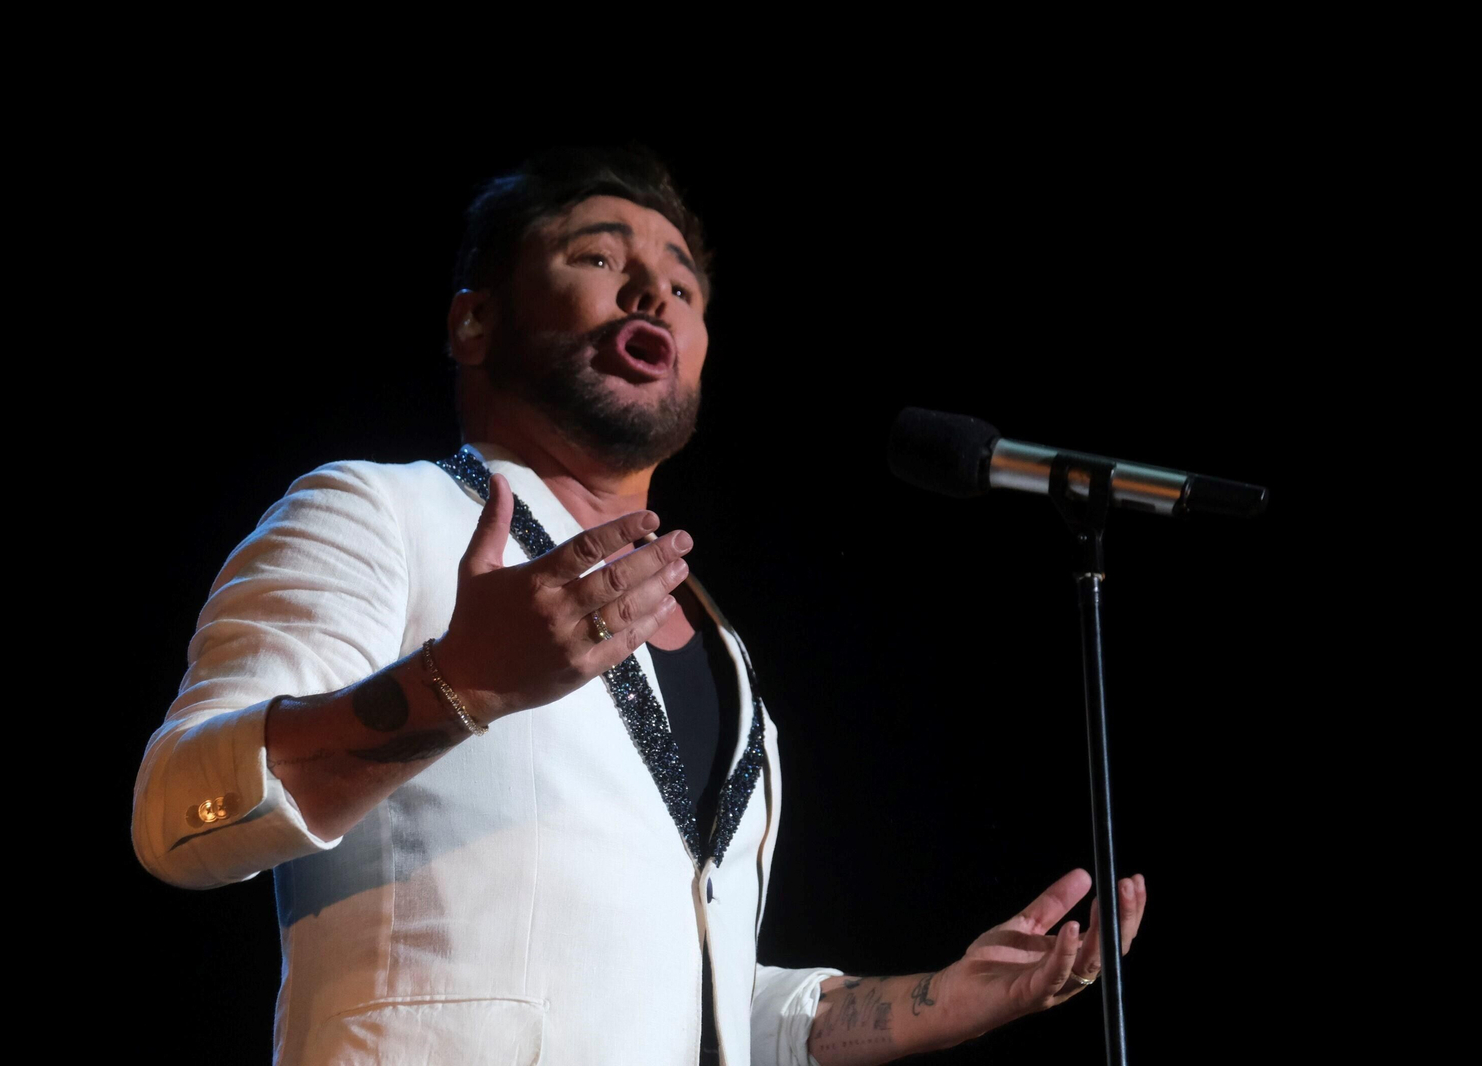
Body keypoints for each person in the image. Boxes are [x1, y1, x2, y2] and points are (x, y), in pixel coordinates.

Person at [131, 145, 1147, 1066]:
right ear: (474, 319)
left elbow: (687, 994)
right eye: (597, 257)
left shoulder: (724, 652)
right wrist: (460, 684)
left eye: (680, 280)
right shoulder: (377, 513)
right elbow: (177, 813)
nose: (651, 288)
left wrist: (940, 999)